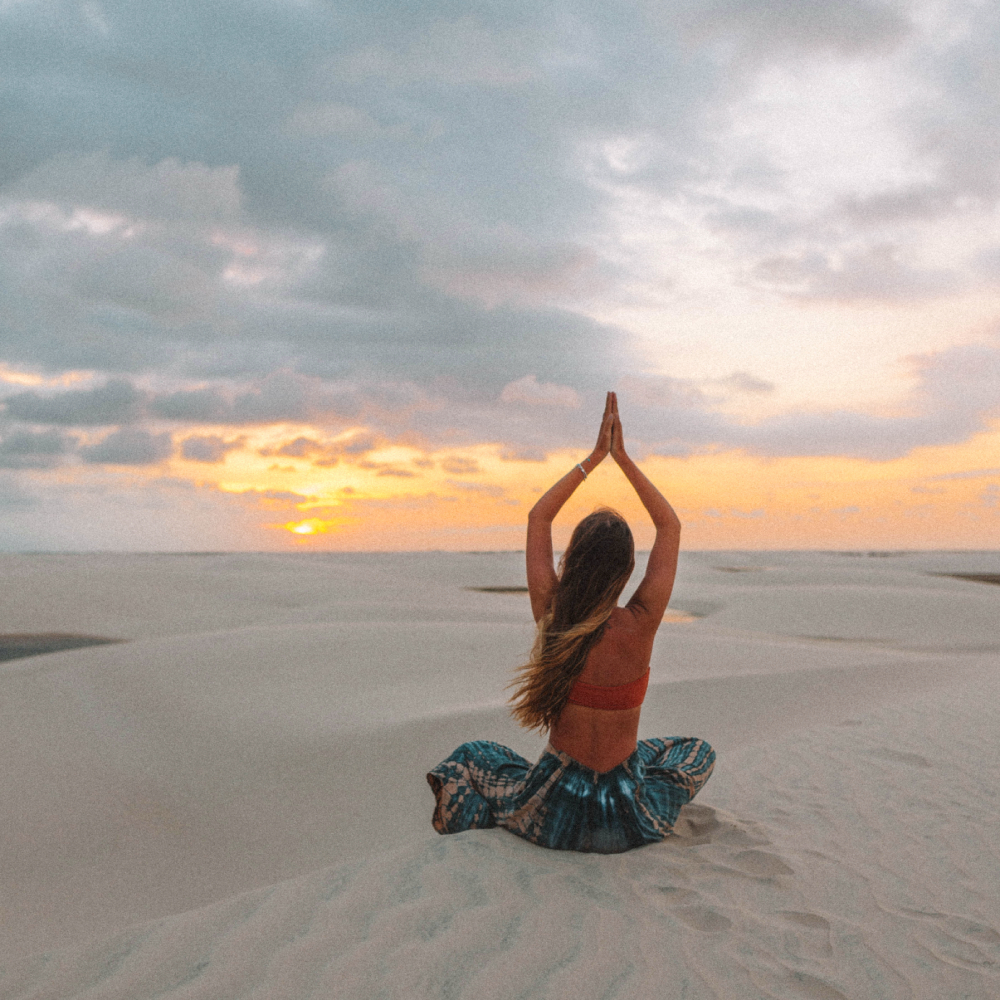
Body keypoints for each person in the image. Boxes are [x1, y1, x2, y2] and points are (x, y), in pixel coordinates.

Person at [426, 392, 715, 853]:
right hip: (625, 821)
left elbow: (539, 516)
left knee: (474, 756)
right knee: (694, 752)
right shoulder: (641, 624)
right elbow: (670, 527)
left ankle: (487, 818)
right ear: (624, 572)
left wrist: (593, 459)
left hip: (551, 813)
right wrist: (622, 459)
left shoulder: (553, 615)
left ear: (572, 561)